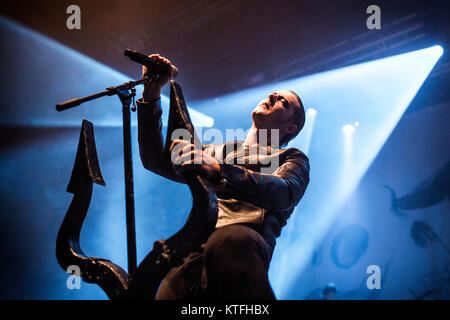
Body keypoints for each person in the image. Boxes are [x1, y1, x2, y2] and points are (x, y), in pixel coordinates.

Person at [134, 54, 310, 299]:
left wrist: (220, 171)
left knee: (230, 239)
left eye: (284, 102)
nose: (271, 96)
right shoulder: (217, 150)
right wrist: (152, 94)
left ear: (291, 128)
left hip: (238, 250)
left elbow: (285, 192)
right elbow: (157, 161)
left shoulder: (291, 157)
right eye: (273, 93)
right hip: (190, 257)